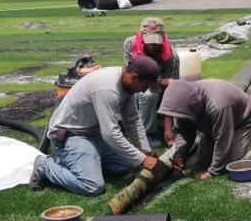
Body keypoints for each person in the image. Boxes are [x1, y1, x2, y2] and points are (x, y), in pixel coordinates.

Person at [30, 57, 161, 196]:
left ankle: (87, 163)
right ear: (134, 78)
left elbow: (133, 121)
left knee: (125, 166)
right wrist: (142, 159)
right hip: (70, 136)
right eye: (145, 86)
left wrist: (145, 151)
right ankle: (44, 166)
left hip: (92, 133)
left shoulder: (129, 87)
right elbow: (110, 133)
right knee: (92, 186)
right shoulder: (107, 88)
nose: (143, 90)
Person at [158, 79, 251, 179]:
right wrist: (179, 155)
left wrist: (212, 172)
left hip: (242, 121)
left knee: (235, 163)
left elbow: (223, 139)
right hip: (213, 127)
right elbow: (184, 132)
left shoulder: (217, 105)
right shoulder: (183, 102)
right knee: (204, 161)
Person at [123, 17, 180, 144]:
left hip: (158, 87)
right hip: (137, 81)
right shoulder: (130, 44)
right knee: (148, 95)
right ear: (141, 36)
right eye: (149, 42)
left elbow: (172, 87)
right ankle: (146, 134)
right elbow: (130, 73)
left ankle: (171, 128)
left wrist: (168, 129)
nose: (152, 47)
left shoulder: (172, 56)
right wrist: (161, 81)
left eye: (156, 43)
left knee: (154, 93)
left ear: (163, 37)